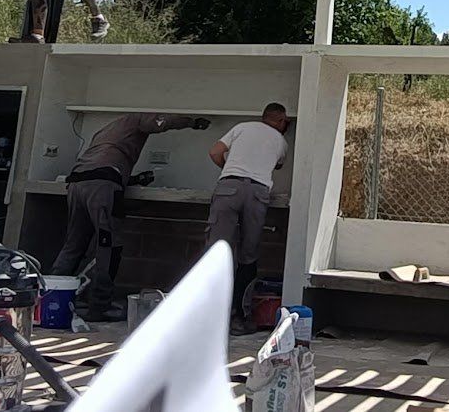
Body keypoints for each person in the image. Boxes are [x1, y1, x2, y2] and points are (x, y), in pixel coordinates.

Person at [50, 111, 211, 320]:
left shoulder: (104, 132)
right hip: (103, 188)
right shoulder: (135, 119)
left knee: (74, 244)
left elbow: (100, 168)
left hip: (77, 184)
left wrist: (135, 179)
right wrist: (192, 122)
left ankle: (51, 298)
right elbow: (162, 122)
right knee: (109, 247)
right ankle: (99, 306)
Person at [206, 102, 291, 333]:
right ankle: (239, 317)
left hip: (229, 187)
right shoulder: (281, 141)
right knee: (248, 256)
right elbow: (278, 164)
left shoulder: (241, 127)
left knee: (216, 251)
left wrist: (230, 169)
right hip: (257, 192)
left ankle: (209, 317)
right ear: (281, 121)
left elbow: (214, 152)